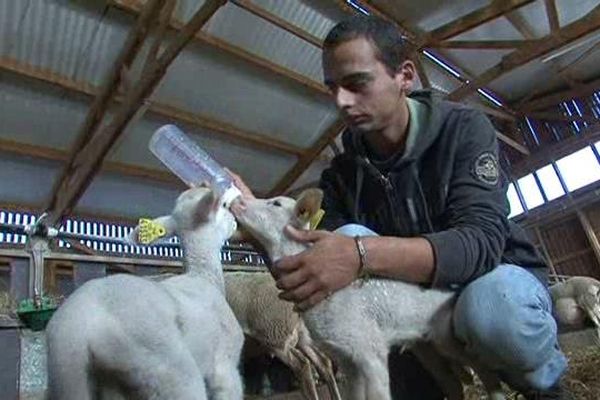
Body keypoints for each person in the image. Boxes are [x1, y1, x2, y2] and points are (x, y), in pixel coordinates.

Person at [230, 15, 570, 400]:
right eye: (333, 88)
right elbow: (313, 260)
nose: (341, 101)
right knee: (346, 237)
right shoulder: (342, 176)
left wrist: (360, 254)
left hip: (490, 280)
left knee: (492, 308)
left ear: (404, 76)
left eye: (357, 83)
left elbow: (481, 242)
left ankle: (545, 386)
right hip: (409, 306)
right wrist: (254, 218)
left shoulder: (462, 130)